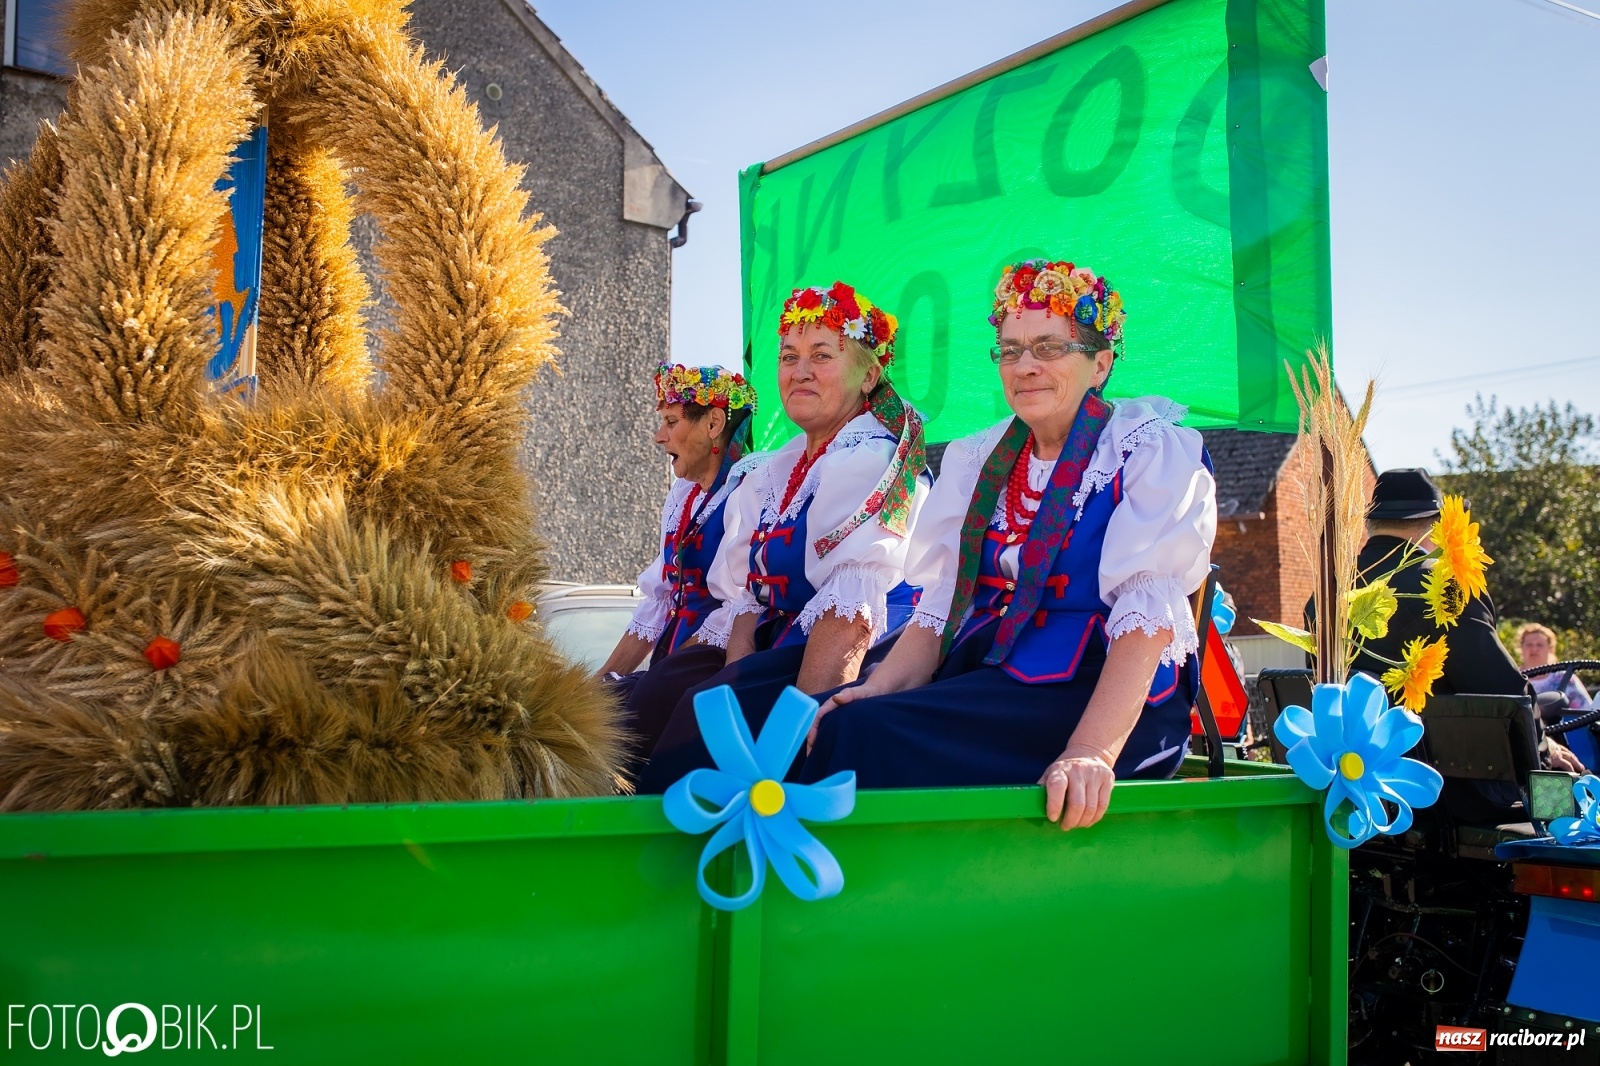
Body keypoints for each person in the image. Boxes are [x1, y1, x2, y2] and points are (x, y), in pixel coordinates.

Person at [799, 259, 1217, 833]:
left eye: (1049, 348)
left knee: (863, 738)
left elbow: (1147, 621)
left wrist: (1091, 751)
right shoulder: (980, 459)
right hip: (1000, 678)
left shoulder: (1146, 449)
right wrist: (876, 687)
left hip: (1103, 698)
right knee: (846, 720)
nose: (1025, 366)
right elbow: (943, 607)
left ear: (1100, 363)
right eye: (1011, 350)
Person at [634, 281, 927, 794]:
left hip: (856, 653)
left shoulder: (870, 459)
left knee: (697, 726)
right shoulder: (777, 469)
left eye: (822, 356)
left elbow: (849, 618)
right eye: (789, 357)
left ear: (869, 376)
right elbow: (749, 595)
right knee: (649, 704)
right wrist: (736, 667)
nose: (800, 371)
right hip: (782, 641)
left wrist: (801, 742)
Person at [1342, 469, 1585, 814]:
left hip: (1352, 788)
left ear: (1371, 524)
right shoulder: (1446, 590)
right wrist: (1547, 748)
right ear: (1435, 526)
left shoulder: (1327, 594)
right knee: (1577, 791)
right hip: (1451, 794)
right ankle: (1560, 831)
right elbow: (1503, 691)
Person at [597, 363, 759, 730]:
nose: (659, 437)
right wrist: (597, 685)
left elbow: (739, 606)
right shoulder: (684, 496)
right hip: (669, 671)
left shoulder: (749, 489)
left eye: (671, 422)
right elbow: (659, 600)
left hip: (708, 672)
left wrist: (662, 679)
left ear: (714, 424)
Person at [1517, 622, 1591, 711]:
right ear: (1521, 647)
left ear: (1550, 648)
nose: (1534, 649)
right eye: (1529, 645)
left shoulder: (1565, 678)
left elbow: (1587, 710)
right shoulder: (1513, 678)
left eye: (1539, 645)